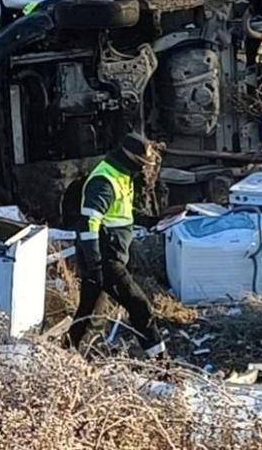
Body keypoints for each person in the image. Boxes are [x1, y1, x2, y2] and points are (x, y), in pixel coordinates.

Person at [65, 133, 166, 358]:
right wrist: (96, 265)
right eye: (143, 164)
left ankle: (66, 357)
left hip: (107, 256)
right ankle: (162, 364)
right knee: (140, 307)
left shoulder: (121, 174)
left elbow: (121, 213)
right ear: (131, 159)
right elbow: (89, 222)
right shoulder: (104, 180)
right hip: (105, 259)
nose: (145, 170)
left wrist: (149, 221)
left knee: (89, 312)